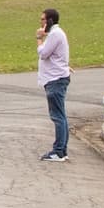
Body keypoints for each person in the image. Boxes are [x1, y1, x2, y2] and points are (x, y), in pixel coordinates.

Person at [36, 8, 70, 161]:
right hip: (56, 78)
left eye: (43, 20)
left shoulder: (55, 34)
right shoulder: (56, 34)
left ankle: (58, 151)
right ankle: (62, 149)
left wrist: (39, 38)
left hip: (55, 80)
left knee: (57, 116)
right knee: (61, 116)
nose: (41, 23)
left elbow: (43, 54)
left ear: (49, 20)